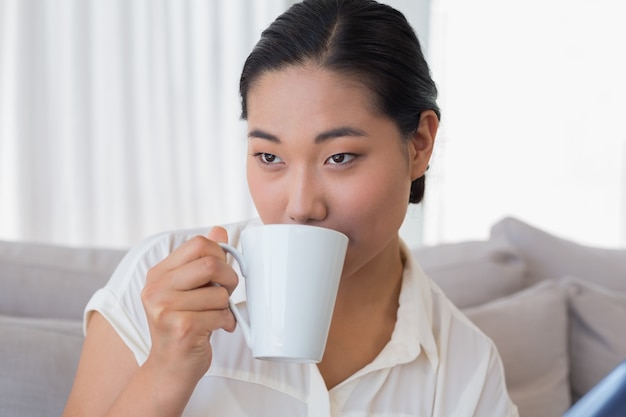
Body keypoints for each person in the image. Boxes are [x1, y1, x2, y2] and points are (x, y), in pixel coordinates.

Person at [63, 0, 519, 416]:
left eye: (339, 157)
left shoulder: (466, 369)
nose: (301, 207)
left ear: (419, 144)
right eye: (270, 157)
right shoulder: (157, 285)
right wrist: (164, 371)